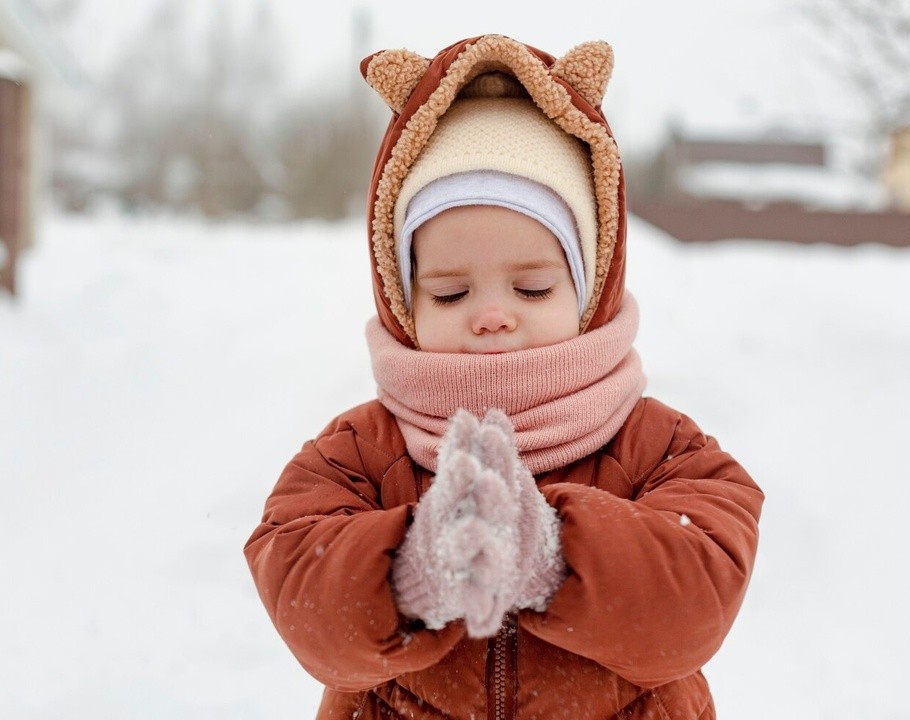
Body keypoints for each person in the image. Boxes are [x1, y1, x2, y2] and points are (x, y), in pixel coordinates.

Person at [245, 34, 763, 719]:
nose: (492, 316)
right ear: (403, 299)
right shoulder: (363, 452)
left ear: (589, 287)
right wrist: (410, 570)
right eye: (452, 294)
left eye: (532, 288)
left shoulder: (660, 448)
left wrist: (553, 555)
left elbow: (695, 601)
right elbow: (300, 583)